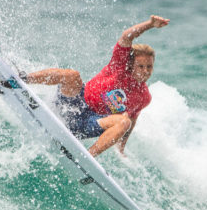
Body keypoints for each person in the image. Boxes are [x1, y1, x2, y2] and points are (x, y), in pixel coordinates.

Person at [23, 15, 169, 157]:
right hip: (72, 104)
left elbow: (132, 121)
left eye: (149, 67)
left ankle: (86, 157)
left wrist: (121, 148)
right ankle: (23, 79)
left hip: (89, 123)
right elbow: (126, 37)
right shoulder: (119, 66)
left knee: (124, 122)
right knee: (72, 75)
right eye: (141, 66)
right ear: (131, 65)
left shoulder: (143, 97)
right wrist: (149, 25)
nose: (145, 71)